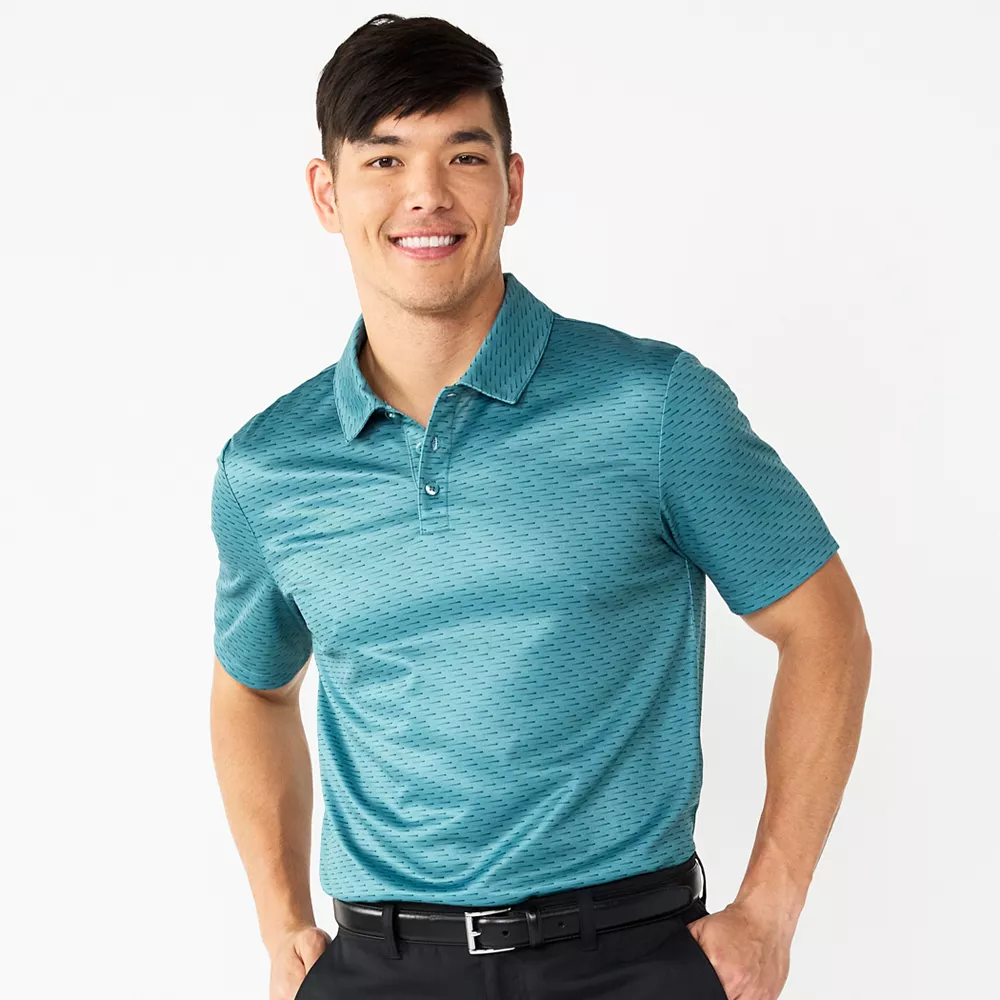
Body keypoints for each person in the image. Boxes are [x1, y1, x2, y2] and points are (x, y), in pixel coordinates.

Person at [208, 13, 871, 1000]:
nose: (426, 193)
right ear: (327, 193)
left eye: (463, 156)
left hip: (627, 960)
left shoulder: (651, 405)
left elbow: (824, 628)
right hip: (377, 970)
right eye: (384, 159)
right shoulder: (268, 466)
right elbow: (253, 691)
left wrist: (769, 911)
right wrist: (282, 924)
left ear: (512, 185)